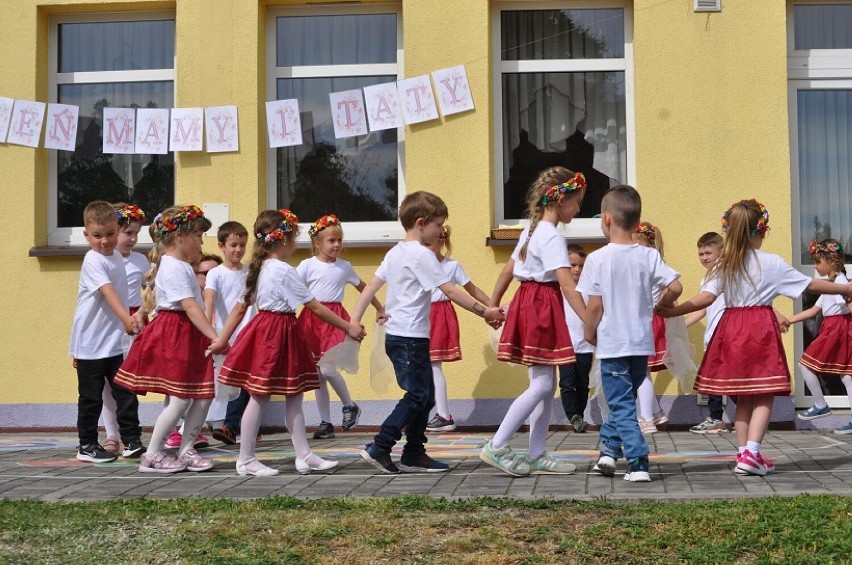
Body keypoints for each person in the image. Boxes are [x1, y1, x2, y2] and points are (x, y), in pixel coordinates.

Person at [657, 200, 852, 476]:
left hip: (731, 328)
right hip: (759, 327)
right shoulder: (770, 262)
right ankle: (752, 452)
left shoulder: (725, 263)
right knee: (763, 395)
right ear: (762, 230)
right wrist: (845, 290)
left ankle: (743, 454)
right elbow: (810, 284)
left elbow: (706, 297)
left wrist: (675, 310)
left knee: (744, 396)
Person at [352, 191, 503, 474]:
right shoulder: (422, 255)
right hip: (408, 337)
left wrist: (355, 319)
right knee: (418, 395)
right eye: (439, 226)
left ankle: (413, 453)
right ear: (421, 223)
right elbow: (450, 290)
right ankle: (380, 445)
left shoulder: (395, 251)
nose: (441, 231)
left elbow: (371, 286)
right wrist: (486, 313)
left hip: (402, 336)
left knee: (427, 395)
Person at [217, 209, 366, 476]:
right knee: (260, 396)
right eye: (293, 238)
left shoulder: (258, 268)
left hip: (277, 330)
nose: (295, 244)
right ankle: (246, 458)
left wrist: (222, 339)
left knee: (294, 394)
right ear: (283, 240)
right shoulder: (283, 270)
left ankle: (304, 455)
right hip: (276, 333)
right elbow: (315, 306)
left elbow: (240, 309)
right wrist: (348, 327)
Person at [481, 167, 589, 477]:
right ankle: (498, 444)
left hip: (530, 302)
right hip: (540, 305)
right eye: (577, 202)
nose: (578, 209)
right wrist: (589, 322)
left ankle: (537, 452)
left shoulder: (532, 232)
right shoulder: (551, 236)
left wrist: (492, 305)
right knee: (542, 384)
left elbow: (506, 271)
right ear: (559, 200)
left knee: (545, 383)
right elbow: (567, 284)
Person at [115, 205, 228, 474]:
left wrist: (143, 310)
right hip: (177, 334)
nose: (202, 240)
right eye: (198, 234)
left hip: (189, 334)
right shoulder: (175, 267)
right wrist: (216, 337)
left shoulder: (180, 265)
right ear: (179, 237)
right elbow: (189, 306)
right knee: (180, 399)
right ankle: (152, 454)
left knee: (202, 396)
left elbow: (155, 294)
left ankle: (186, 449)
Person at [581, 186, 683, 482]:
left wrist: (589, 333)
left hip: (613, 344)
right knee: (624, 400)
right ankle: (609, 453)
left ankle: (638, 462)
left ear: (607, 219)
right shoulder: (648, 256)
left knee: (621, 404)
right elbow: (675, 287)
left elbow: (594, 305)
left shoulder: (597, 259)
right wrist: (661, 305)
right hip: (641, 342)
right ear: (637, 222)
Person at [297, 214, 386, 440]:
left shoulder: (344, 267)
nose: (336, 245)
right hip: (311, 320)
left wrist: (379, 307)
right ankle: (325, 422)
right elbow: (292, 289)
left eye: (339, 240)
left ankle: (349, 405)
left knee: (327, 368)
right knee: (317, 374)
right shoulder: (307, 266)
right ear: (317, 242)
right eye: (331, 241)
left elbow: (364, 288)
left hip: (335, 320)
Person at [69, 201, 145, 463]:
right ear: (86, 235)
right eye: (98, 236)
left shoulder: (116, 257)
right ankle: (87, 445)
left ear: (118, 230)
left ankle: (132, 440)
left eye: (111, 234)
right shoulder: (93, 260)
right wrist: (126, 317)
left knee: (125, 391)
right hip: (90, 343)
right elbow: (108, 292)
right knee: (91, 397)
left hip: (115, 343)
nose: (105, 241)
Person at [94, 203, 149, 456]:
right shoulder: (100, 261)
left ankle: (130, 434)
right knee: (106, 383)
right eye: (128, 233)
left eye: (137, 233)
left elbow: (150, 291)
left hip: (133, 324)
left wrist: (142, 313)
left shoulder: (140, 260)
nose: (133, 238)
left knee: (125, 383)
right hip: (106, 324)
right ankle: (111, 435)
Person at [425, 225, 492, 433]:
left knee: (434, 364)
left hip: (439, 314)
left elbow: (472, 290)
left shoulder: (452, 266)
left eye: (434, 241)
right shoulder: (419, 264)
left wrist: (492, 306)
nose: (429, 246)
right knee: (425, 366)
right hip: (421, 315)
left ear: (443, 241)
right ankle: (434, 413)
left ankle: (444, 415)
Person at [788, 239, 852, 434]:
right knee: (847, 376)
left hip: (838, 329)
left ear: (832, 261)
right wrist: (788, 320)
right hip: (834, 328)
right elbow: (814, 311)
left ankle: (820, 404)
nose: (815, 266)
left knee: (804, 363)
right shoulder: (832, 285)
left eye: (817, 262)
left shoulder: (842, 284)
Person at [200, 222, 254, 445]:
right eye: (233, 245)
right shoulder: (215, 273)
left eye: (242, 245)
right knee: (228, 381)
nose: (238, 250)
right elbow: (209, 300)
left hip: (248, 333)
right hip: (223, 334)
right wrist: (210, 332)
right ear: (222, 246)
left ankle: (233, 426)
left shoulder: (250, 272)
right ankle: (230, 424)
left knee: (245, 382)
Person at [163, 252, 223, 451]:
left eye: (215, 272)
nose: (210, 277)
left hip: (204, 344)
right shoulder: (181, 283)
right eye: (206, 273)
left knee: (204, 393)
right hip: (186, 342)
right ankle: (167, 438)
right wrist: (215, 337)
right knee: (179, 394)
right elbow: (188, 310)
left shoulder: (213, 295)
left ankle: (188, 438)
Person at [685, 232, 733, 434]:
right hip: (712, 336)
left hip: (725, 335)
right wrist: (682, 324)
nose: (704, 257)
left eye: (708, 252)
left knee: (721, 376)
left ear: (721, 252)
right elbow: (703, 308)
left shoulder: (725, 273)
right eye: (700, 254)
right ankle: (718, 418)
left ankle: (718, 418)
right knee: (715, 376)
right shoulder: (707, 277)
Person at [631, 221, 670, 434]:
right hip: (648, 320)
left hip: (643, 321)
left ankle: (646, 418)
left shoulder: (646, 263)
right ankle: (654, 412)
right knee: (640, 370)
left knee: (640, 370)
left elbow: (668, 289)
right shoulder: (656, 261)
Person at [558, 244, 593, 433]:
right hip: (564, 345)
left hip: (585, 345)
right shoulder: (560, 289)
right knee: (567, 382)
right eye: (572, 265)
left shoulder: (588, 289)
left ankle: (579, 415)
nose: (577, 270)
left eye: (581, 266)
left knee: (583, 383)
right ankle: (573, 416)